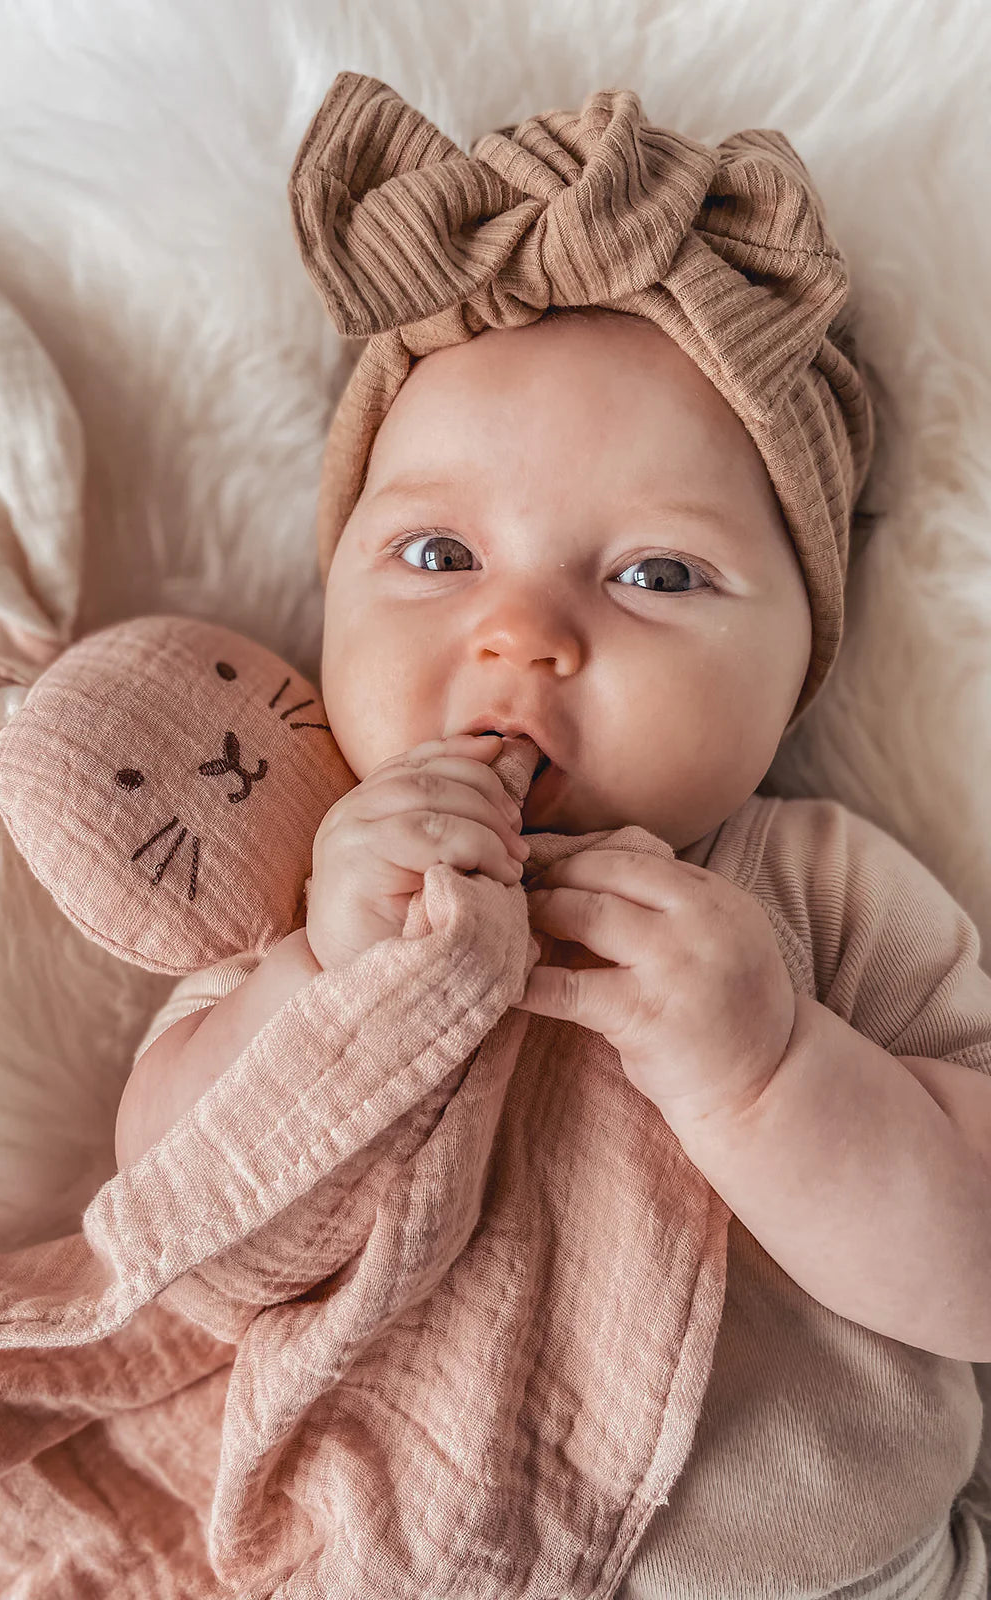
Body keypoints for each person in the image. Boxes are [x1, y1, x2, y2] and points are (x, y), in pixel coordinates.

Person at [115, 72, 991, 1597]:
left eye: (656, 574)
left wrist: (775, 1071)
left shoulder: (831, 895)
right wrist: (324, 994)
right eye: (439, 553)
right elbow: (179, 1249)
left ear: (800, 668)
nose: (521, 634)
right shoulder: (303, 908)